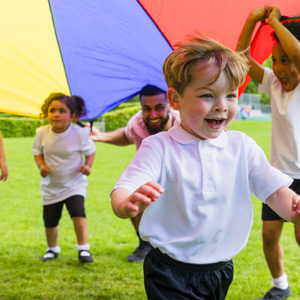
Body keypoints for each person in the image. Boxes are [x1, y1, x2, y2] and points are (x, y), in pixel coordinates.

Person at [110, 36, 300, 300]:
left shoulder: (241, 146)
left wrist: (294, 210)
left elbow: (274, 192)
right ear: (175, 99)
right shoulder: (159, 147)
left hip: (220, 268)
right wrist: (126, 204)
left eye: (230, 95)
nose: (222, 105)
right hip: (169, 270)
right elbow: (123, 188)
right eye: (208, 95)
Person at [237, 6, 300, 299]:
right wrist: (252, 21)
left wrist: (274, 20)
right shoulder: (274, 84)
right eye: (274, 60)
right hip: (277, 175)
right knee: (268, 235)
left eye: (285, 61)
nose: (277, 67)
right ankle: (280, 286)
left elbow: (297, 51)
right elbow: (241, 59)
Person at [89, 84, 179, 262]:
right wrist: (101, 137)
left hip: (177, 174)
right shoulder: (138, 123)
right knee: (135, 192)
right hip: (149, 174)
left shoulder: (183, 124)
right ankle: (144, 243)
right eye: (147, 109)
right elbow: (126, 135)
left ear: (169, 105)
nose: (152, 115)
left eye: (159, 108)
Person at [32, 93, 96, 263]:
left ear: (72, 116)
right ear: (46, 113)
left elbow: (90, 151)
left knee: (78, 212)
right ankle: (52, 249)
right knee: (50, 219)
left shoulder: (80, 134)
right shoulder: (41, 133)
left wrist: (87, 166)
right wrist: (42, 166)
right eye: (52, 111)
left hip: (75, 183)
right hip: (51, 185)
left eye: (62, 111)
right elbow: (37, 153)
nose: (56, 114)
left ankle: (83, 249)